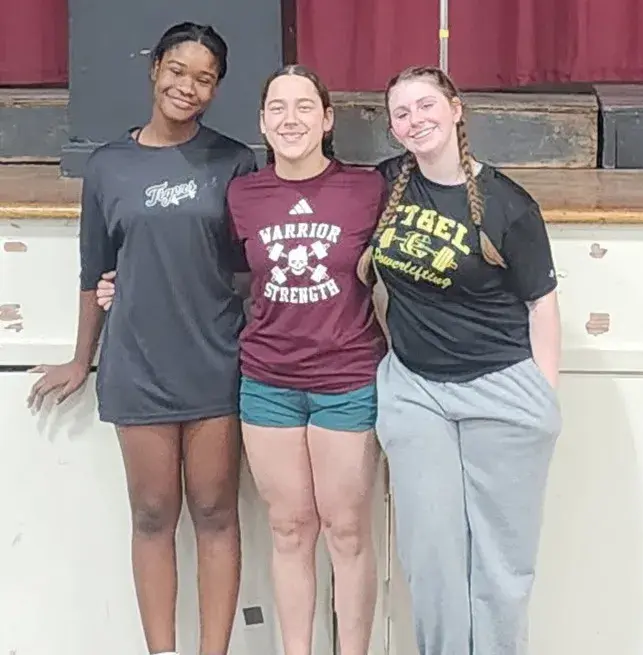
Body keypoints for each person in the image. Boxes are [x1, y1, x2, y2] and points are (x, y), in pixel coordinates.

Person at [97, 64, 387, 655]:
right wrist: (127, 282)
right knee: (289, 528)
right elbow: (205, 264)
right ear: (261, 122)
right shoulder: (243, 194)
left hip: (347, 378)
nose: (290, 119)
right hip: (267, 381)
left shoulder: (367, 190)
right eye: (277, 108)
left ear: (327, 120)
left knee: (347, 531)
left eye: (304, 107)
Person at [27, 22, 256, 655]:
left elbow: (249, 269)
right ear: (155, 68)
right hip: (138, 365)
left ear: (216, 90)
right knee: (153, 515)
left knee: (215, 512)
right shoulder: (108, 165)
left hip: (215, 361)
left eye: (204, 78)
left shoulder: (234, 161)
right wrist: (82, 358)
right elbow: (93, 269)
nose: (187, 87)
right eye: (177, 71)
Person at [357, 66, 562, 655]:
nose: (415, 120)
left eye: (426, 105)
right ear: (393, 128)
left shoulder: (508, 204)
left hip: (501, 390)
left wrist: (544, 398)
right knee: (432, 557)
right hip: (416, 391)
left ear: (455, 109)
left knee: (500, 563)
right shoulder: (385, 185)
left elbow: (542, 304)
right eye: (402, 113)